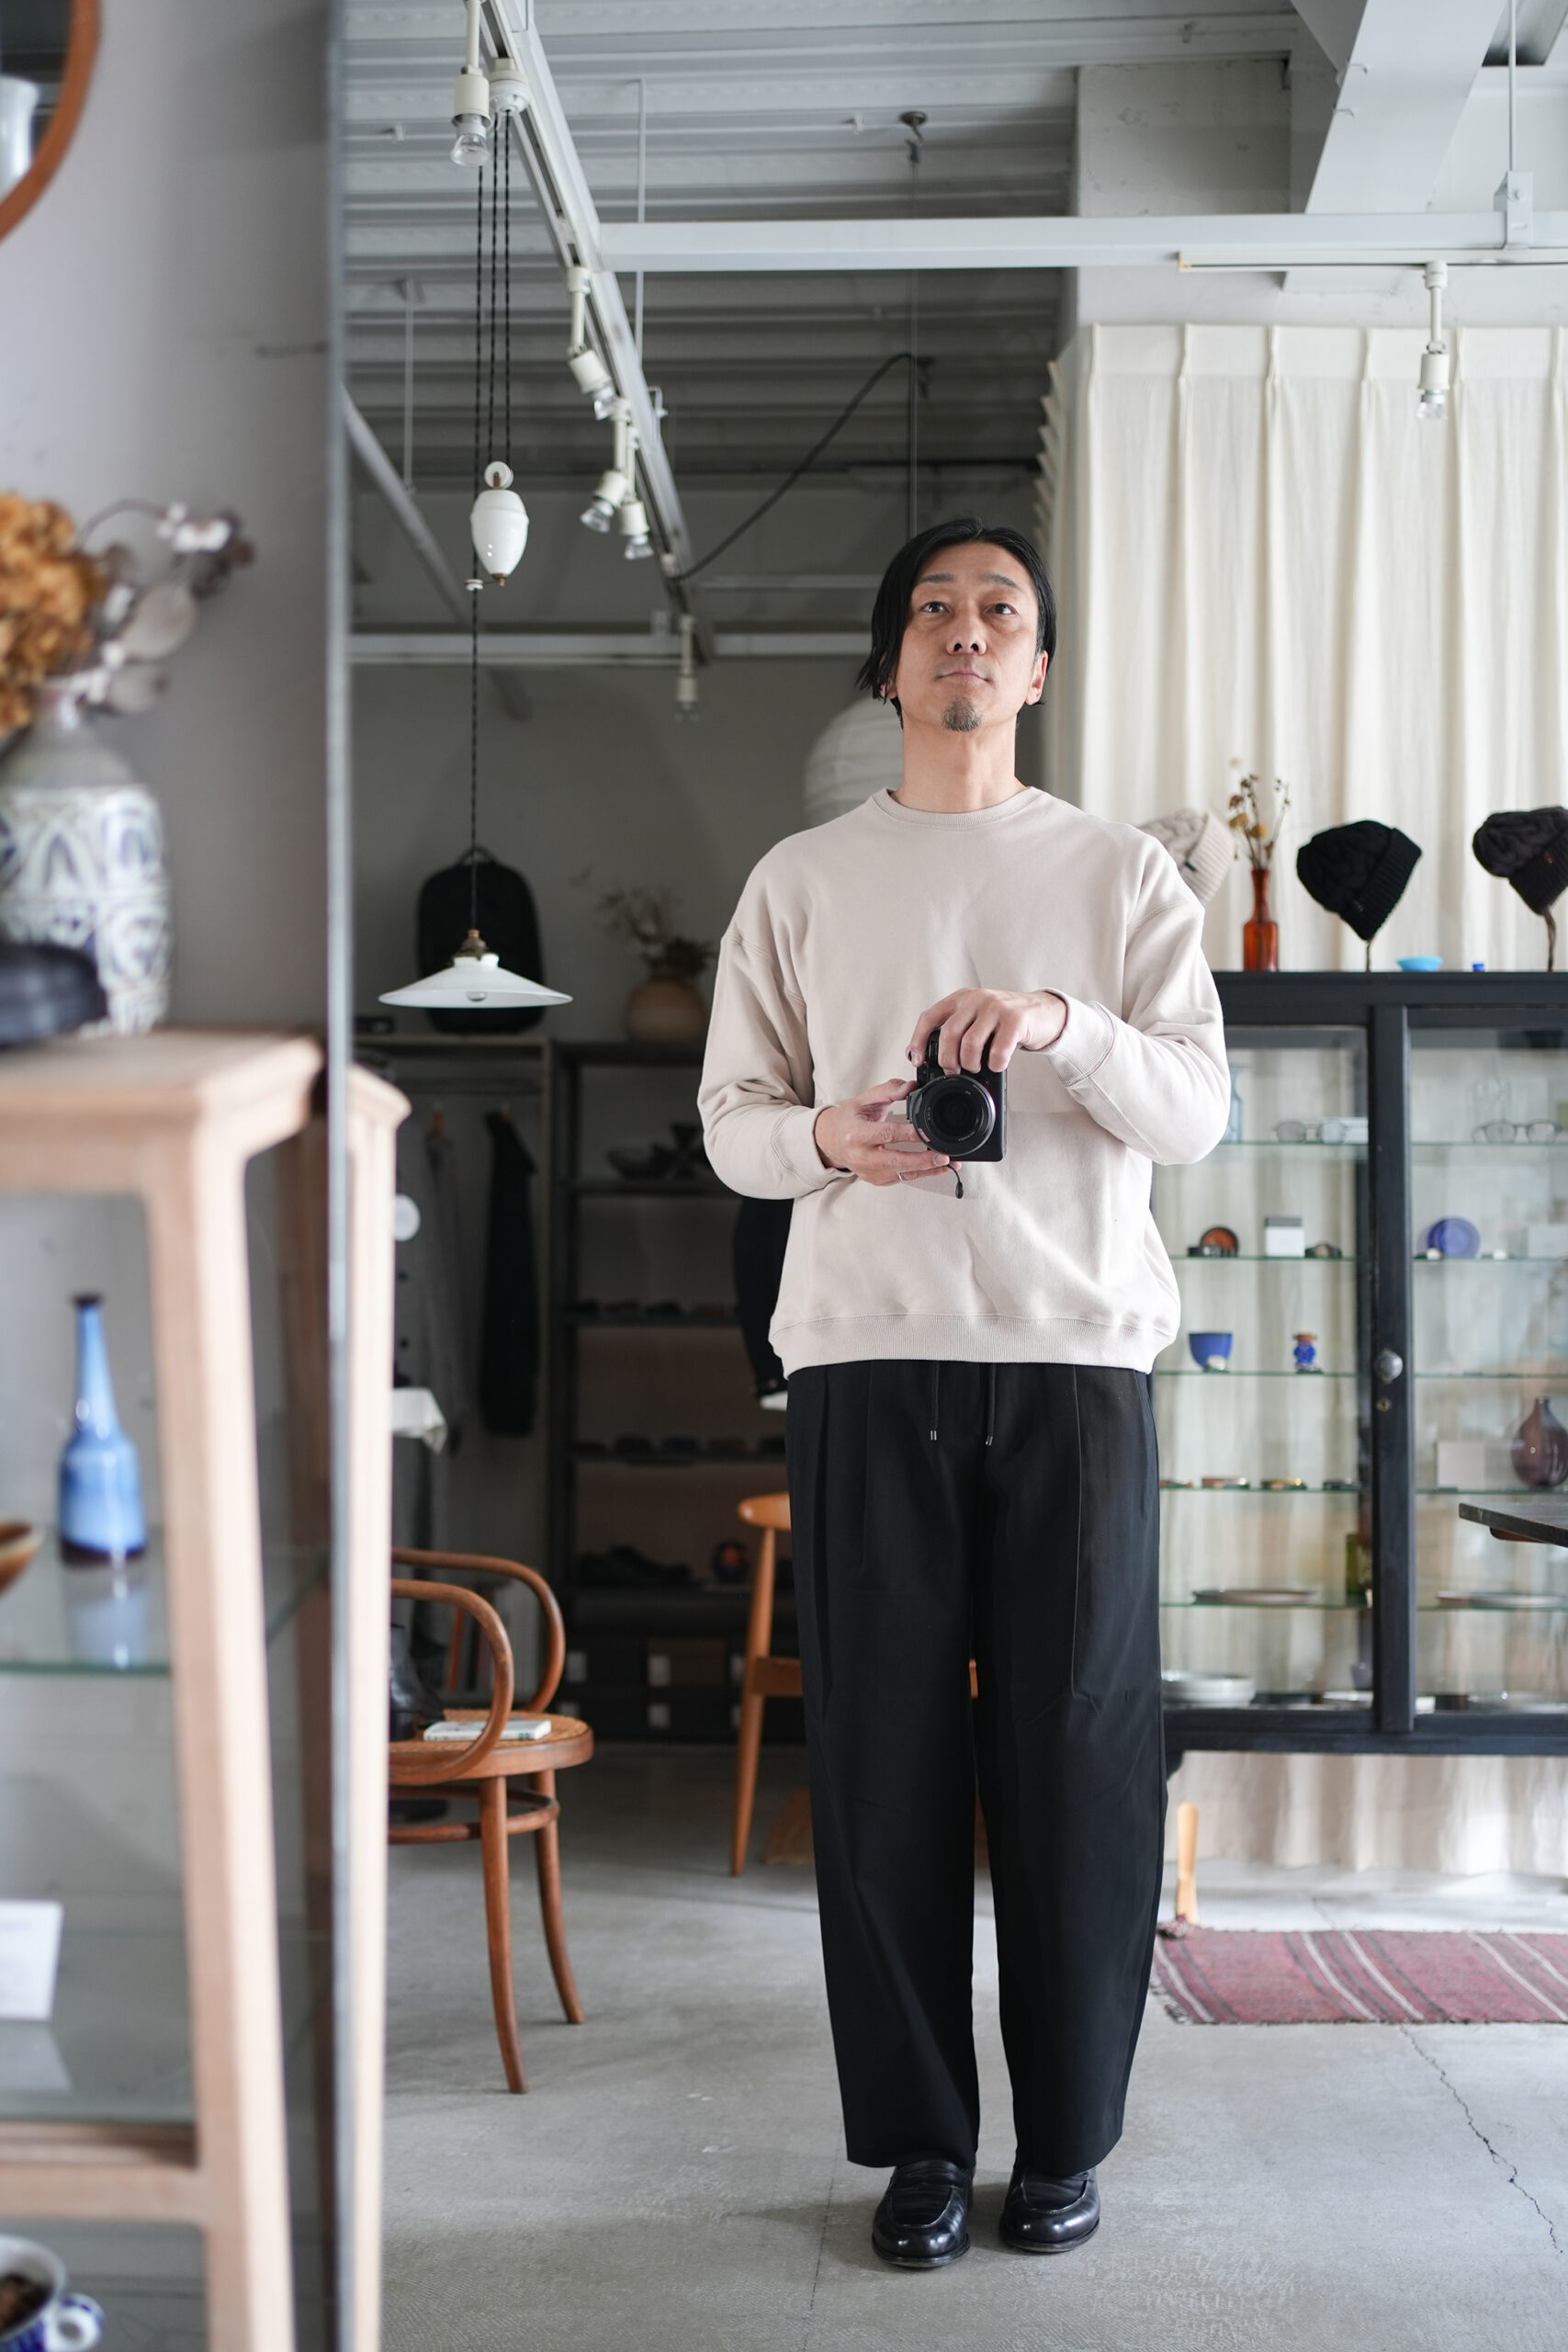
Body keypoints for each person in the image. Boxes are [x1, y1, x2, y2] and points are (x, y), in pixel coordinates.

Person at [698, 516, 1229, 2268]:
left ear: (1040, 665)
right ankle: (923, 2148)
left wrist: (1062, 1025)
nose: (967, 631)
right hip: (865, 1356)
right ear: (891, 662)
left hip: (1074, 1364)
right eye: (933, 609)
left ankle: (1065, 2142)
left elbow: (1195, 1113)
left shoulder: (1124, 879)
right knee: (883, 1772)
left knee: (1081, 1765)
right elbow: (733, 1126)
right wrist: (831, 1136)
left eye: (1001, 609)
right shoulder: (799, 881)